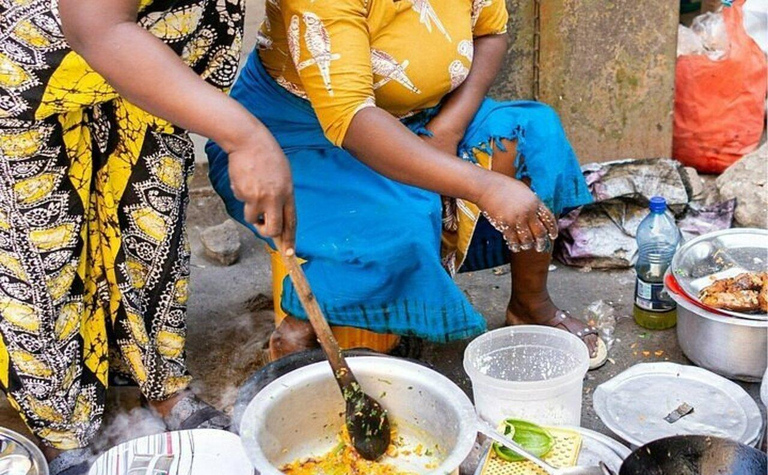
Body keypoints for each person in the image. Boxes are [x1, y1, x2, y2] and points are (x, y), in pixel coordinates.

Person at [0, 0, 294, 475]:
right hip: (41, 55)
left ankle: (158, 379)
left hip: (153, 53)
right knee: (41, 249)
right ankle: (62, 423)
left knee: (148, 224)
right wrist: (245, 135)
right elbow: (96, 26)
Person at [208, 0, 607, 366]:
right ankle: (300, 329)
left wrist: (446, 132)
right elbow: (350, 117)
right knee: (400, 227)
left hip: (421, 115)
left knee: (536, 137)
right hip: (298, 136)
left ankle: (530, 304)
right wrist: (484, 186)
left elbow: (490, 34)